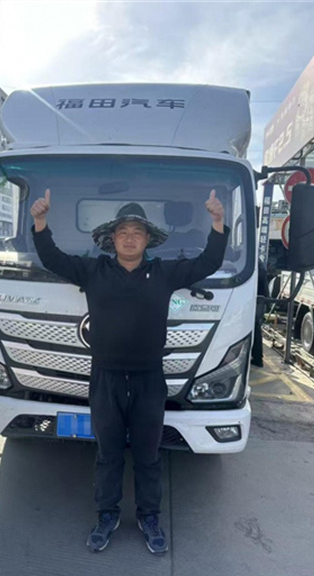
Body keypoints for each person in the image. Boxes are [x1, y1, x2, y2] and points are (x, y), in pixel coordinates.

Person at [31, 189, 229, 555]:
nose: (130, 238)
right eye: (123, 232)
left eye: (137, 232)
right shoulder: (93, 271)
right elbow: (52, 258)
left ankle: (149, 517)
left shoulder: (164, 273)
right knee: (108, 453)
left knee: (147, 454)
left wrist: (217, 222)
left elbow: (208, 262)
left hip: (149, 379)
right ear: (112, 239)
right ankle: (106, 516)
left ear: (147, 239)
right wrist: (40, 222)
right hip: (105, 378)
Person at [251, 259, 268, 367]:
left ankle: (257, 358)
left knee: (255, 327)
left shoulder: (253, 262)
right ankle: (257, 357)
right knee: (256, 327)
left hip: (256, 298)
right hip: (260, 298)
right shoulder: (258, 262)